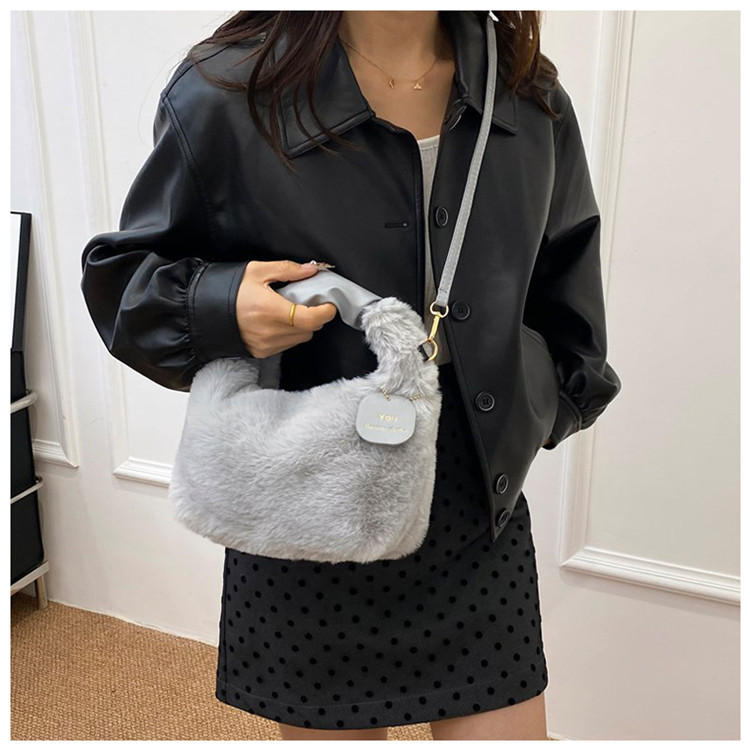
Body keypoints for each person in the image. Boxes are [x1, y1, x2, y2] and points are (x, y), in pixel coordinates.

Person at [80, 10, 622, 741]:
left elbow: (567, 282)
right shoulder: (227, 92)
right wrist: (223, 304)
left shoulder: (526, 94)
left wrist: (545, 404)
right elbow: (123, 282)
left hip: (476, 501)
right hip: (303, 494)